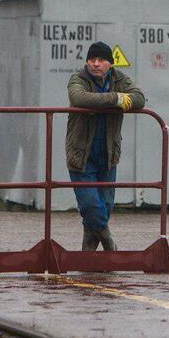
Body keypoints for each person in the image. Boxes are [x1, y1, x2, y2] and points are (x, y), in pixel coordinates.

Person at [66, 41, 145, 251]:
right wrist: (116, 99)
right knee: (91, 205)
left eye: (101, 60)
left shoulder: (119, 79)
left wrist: (121, 98)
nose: (96, 64)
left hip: (108, 156)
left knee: (105, 206)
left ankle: (88, 256)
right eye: (92, 59)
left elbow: (139, 98)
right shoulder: (78, 78)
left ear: (110, 64)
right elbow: (79, 97)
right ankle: (110, 244)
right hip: (82, 156)